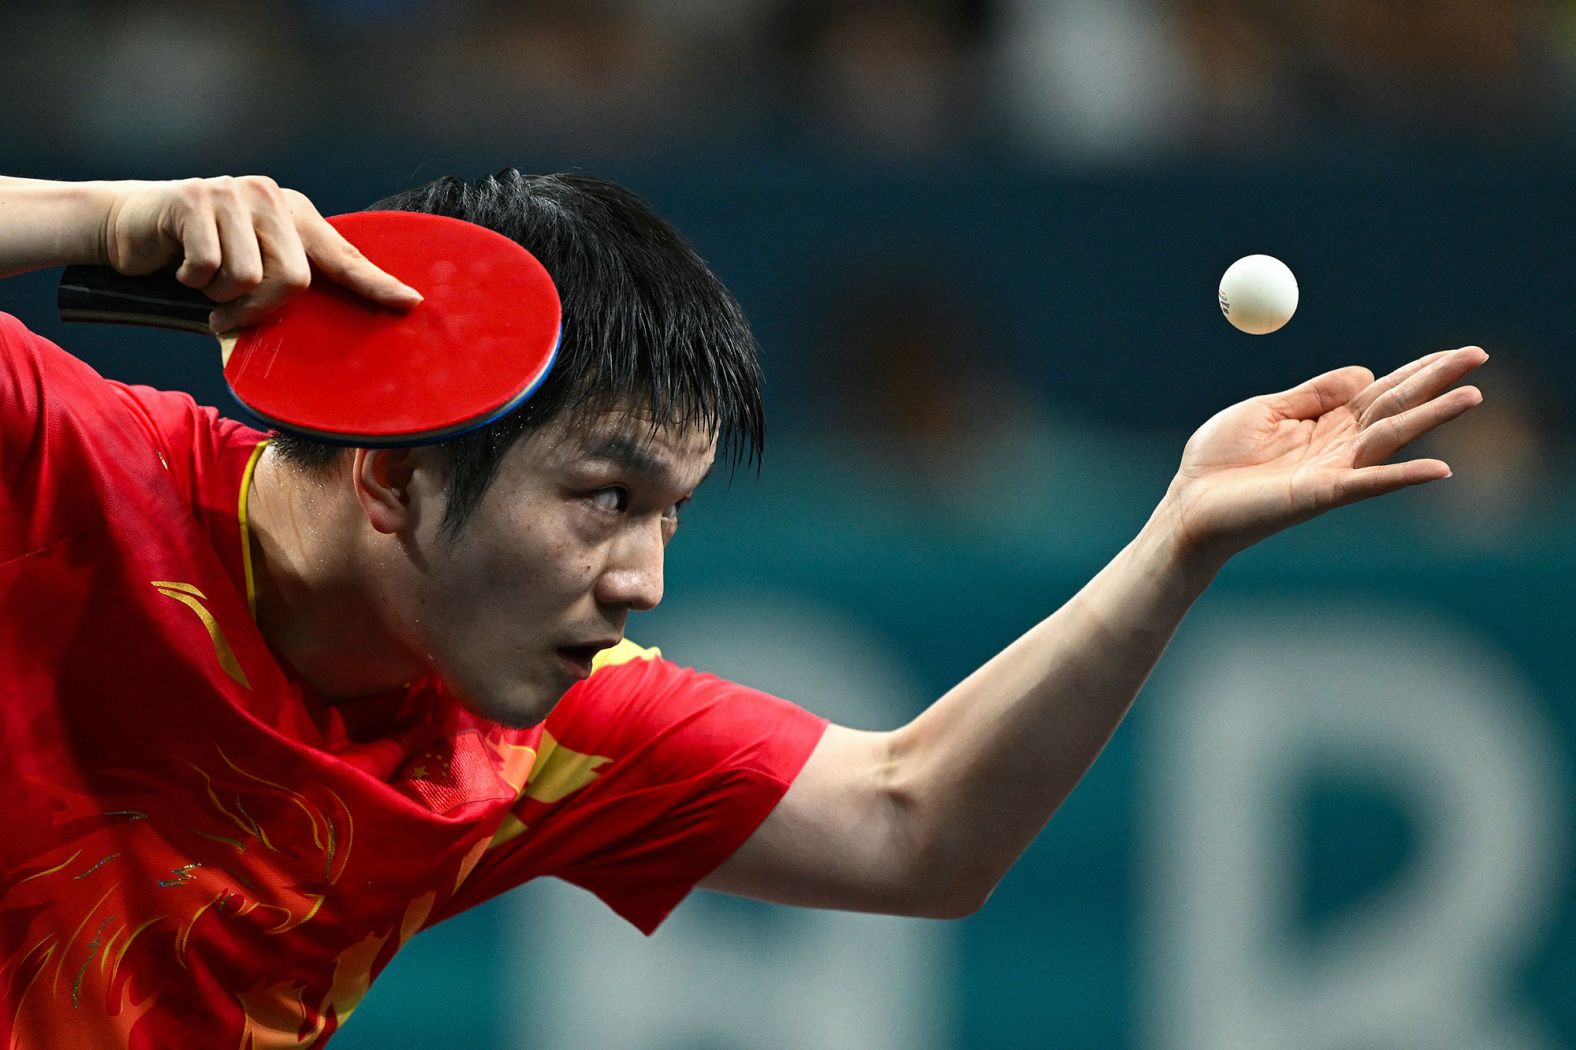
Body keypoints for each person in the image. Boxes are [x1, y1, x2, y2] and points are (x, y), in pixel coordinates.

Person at [0, 172, 1486, 1047]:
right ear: (393, 477)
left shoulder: (543, 724)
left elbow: (918, 825)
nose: (645, 579)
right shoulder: (66, 466)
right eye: (604, 498)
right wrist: (111, 211)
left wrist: (1176, 541)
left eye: (668, 516)